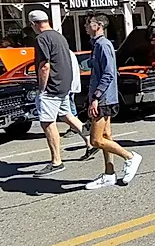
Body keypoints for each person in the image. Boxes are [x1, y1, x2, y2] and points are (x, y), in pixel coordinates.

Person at [83, 14, 141, 189]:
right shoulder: (97, 45)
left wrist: (96, 97)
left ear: (98, 25)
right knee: (106, 135)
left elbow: (108, 73)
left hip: (104, 99)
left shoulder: (103, 45)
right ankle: (109, 174)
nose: (85, 26)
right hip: (102, 97)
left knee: (95, 140)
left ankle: (130, 157)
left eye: (88, 23)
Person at [29, 10, 73, 177]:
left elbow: (44, 66)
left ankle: (56, 161)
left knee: (47, 122)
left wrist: (42, 88)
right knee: (66, 115)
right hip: (64, 83)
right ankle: (90, 142)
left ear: (34, 24)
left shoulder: (41, 38)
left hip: (51, 86)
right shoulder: (59, 36)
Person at [59, 50, 99, 161]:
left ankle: (56, 159)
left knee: (67, 114)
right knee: (67, 115)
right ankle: (89, 140)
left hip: (63, 88)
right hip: (69, 87)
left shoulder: (62, 53)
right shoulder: (68, 53)